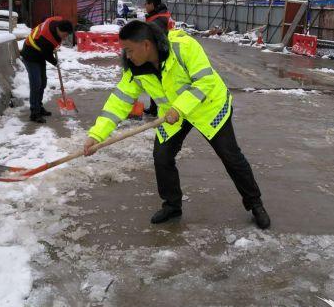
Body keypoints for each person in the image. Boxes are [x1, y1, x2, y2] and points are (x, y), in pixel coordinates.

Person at [83, 21, 271, 229]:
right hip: (172, 114)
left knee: (231, 156)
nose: (127, 56)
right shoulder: (135, 70)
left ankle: (255, 204)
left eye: (129, 50)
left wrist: (180, 108)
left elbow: (205, 81)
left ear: (146, 45)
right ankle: (172, 205)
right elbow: (118, 103)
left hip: (208, 107)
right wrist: (97, 136)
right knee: (162, 157)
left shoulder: (184, 47)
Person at [20, 16, 73, 123]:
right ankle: (34, 113)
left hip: (40, 54)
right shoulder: (46, 37)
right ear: (59, 30)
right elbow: (47, 55)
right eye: (65, 35)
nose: (65, 37)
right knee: (36, 83)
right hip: (30, 55)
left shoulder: (57, 20)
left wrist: (55, 45)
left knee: (43, 82)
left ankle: (39, 107)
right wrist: (55, 62)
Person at [143, 0, 175, 117]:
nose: (145, 5)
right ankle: (154, 107)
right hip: (162, 53)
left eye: (146, 3)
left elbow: (154, 38)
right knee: (157, 81)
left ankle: (160, 109)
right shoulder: (159, 15)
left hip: (163, 54)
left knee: (158, 82)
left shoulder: (159, 19)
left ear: (152, 4)